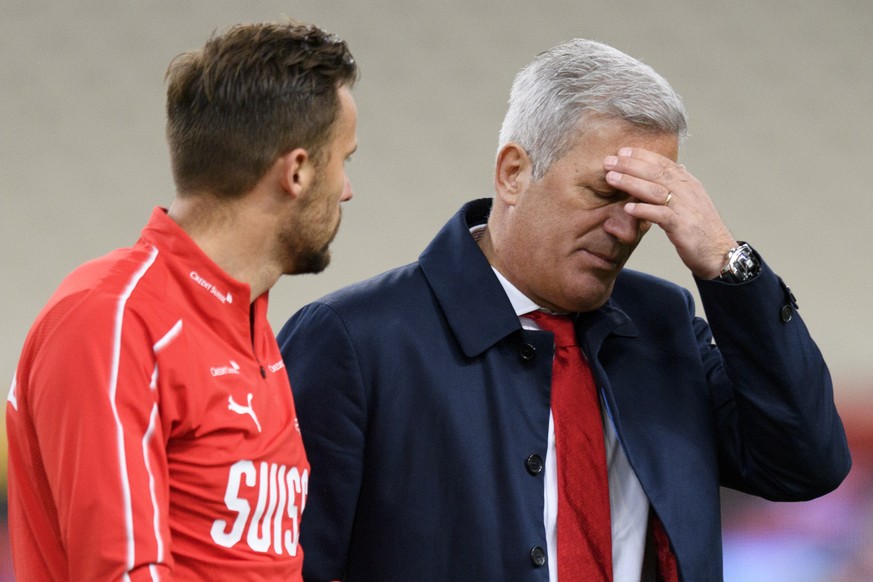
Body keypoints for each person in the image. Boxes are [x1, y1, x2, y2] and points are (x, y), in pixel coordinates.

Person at [277, 38, 851, 581]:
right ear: (513, 172)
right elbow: (289, 565)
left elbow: (807, 463)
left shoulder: (664, 325)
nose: (626, 227)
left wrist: (729, 267)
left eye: (647, 204)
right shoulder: (356, 339)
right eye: (604, 194)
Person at [6, 19, 358, 580]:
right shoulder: (113, 319)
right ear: (296, 170)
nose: (346, 188)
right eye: (345, 160)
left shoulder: (251, 323)